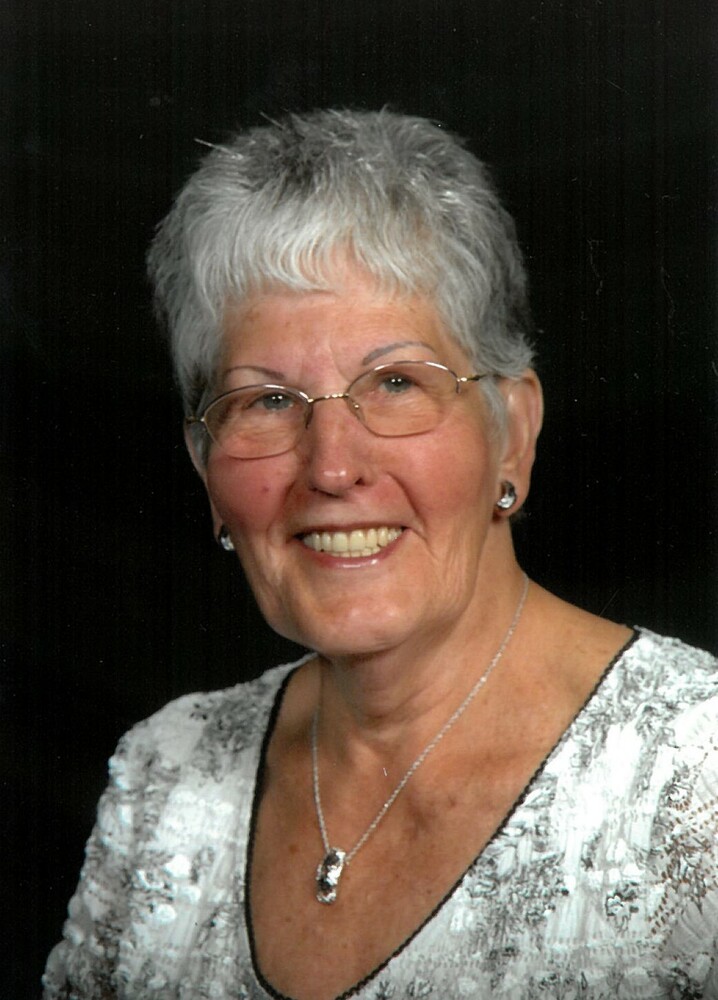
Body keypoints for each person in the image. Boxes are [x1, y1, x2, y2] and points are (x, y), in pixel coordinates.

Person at [43, 109, 718, 1000]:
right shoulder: (163, 773)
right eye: (266, 402)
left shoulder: (697, 779)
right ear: (206, 468)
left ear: (512, 433)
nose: (331, 468)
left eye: (396, 383)